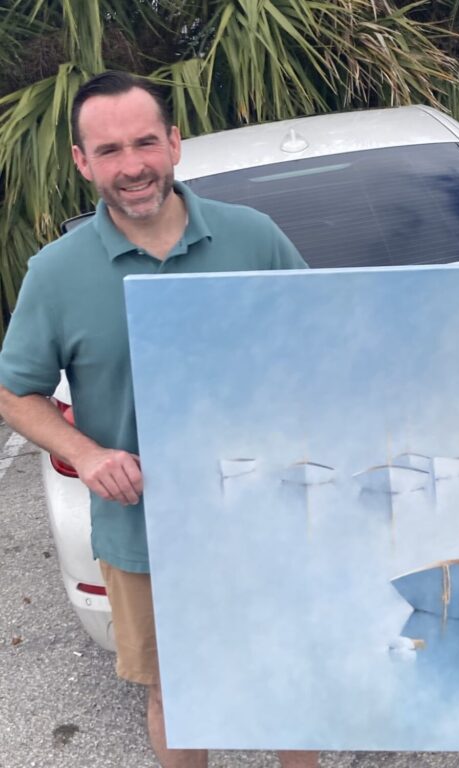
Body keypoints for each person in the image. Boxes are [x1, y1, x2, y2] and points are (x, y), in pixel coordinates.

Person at [0, 71, 319, 768]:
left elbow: (322, 342)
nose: (133, 165)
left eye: (146, 142)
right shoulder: (55, 274)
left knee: (289, 682)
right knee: (176, 695)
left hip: (269, 516)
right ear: (83, 163)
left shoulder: (254, 239)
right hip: (146, 534)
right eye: (109, 150)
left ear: (175, 144)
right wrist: (85, 455)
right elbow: (12, 391)